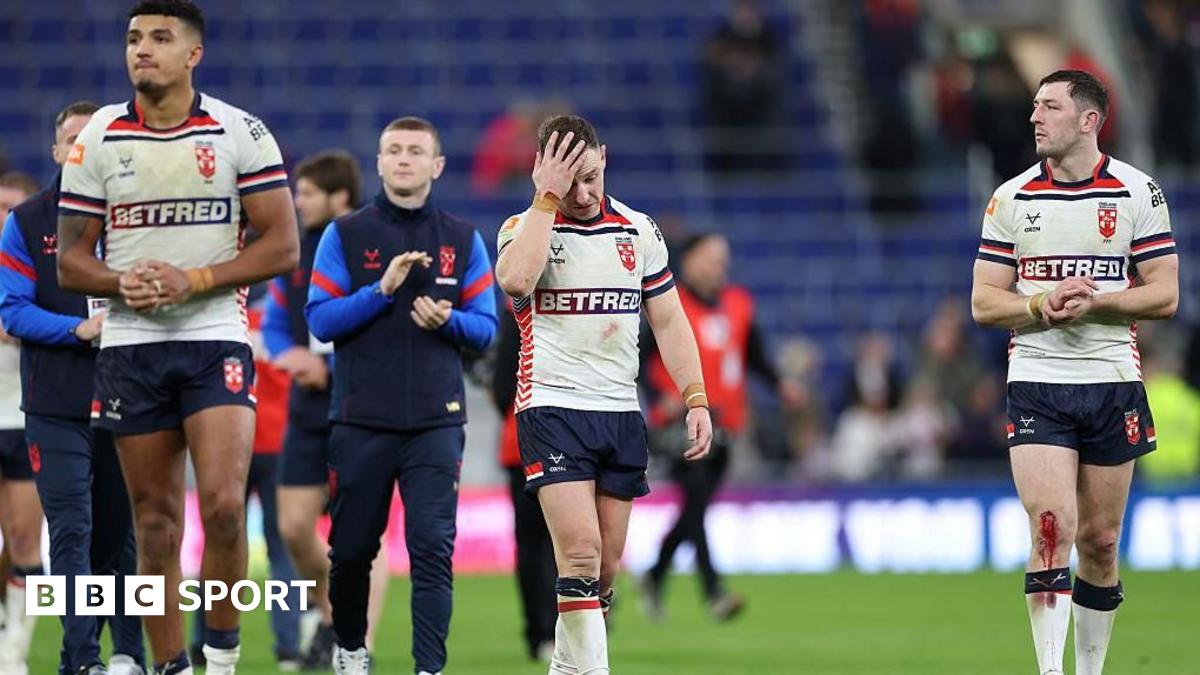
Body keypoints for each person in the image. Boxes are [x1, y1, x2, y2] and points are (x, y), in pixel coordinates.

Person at [55, 2, 300, 673]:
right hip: (132, 344)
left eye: (160, 38)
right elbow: (70, 257)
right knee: (155, 524)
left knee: (223, 507)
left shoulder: (237, 131)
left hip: (213, 335)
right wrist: (116, 281)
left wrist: (193, 278)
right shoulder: (100, 134)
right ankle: (172, 666)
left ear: (193, 54)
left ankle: (220, 655)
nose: (142, 50)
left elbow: (283, 244)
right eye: (134, 38)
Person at [971, 70, 1178, 675]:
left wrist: (1097, 301)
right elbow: (984, 303)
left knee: (1101, 542)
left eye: (1050, 107)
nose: (1035, 117)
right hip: (1037, 376)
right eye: (1034, 106)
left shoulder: (1139, 193)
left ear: (1089, 120)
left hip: (1112, 379)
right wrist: (1039, 305)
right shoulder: (1010, 198)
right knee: (1050, 528)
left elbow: (1165, 295)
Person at [494, 115, 713, 675]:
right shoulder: (524, 227)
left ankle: (566, 669)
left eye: (591, 176)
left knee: (604, 572)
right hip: (551, 407)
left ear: (605, 158)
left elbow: (668, 321)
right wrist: (547, 198)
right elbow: (516, 281)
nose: (585, 193)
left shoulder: (639, 232)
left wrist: (695, 397)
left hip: (619, 413)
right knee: (582, 553)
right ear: (544, 175)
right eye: (570, 182)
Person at [305, 116, 497, 675]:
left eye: (416, 151)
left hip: (437, 420)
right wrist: (380, 291)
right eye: (394, 150)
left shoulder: (463, 239)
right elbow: (319, 319)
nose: (405, 159)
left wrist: (449, 321)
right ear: (380, 163)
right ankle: (351, 650)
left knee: (434, 550)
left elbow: (486, 328)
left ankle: (428, 668)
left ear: (436, 166)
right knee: (351, 552)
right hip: (360, 418)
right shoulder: (345, 235)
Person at [0, 100, 147, 675]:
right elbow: (12, 311)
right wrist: (78, 328)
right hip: (55, 404)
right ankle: (83, 659)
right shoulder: (28, 221)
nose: (85, 146)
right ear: (59, 151)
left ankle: (129, 654)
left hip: (128, 401)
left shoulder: (139, 215)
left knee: (122, 537)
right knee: (72, 530)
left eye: (98, 137)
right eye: (74, 138)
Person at [263, 150, 391, 668]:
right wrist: (290, 354)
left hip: (361, 408)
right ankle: (332, 614)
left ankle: (362, 645)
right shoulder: (293, 251)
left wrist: (333, 369)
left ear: (339, 196)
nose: (297, 201)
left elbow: (387, 328)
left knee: (361, 535)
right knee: (294, 527)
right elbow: (274, 319)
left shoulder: (371, 246)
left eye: (308, 192)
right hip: (306, 410)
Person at [639, 232, 798, 623]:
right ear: (689, 260)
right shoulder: (669, 304)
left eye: (723, 258)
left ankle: (655, 575)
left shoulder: (738, 305)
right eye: (710, 257)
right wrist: (661, 396)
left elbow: (754, 354)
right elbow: (640, 360)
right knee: (694, 498)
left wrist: (781, 386)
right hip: (679, 425)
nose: (719, 266)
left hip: (726, 424)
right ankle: (714, 592)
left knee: (695, 509)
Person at [188, 293, 302, 670]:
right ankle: (288, 646)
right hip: (279, 442)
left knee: (217, 542)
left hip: (231, 442)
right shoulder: (281, 327)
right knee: (281, 552)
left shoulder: (223, 322)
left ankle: (201, 639)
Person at [490, 302, 557, 662]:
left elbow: (502, 388)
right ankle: (568, 624)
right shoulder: (570, 305)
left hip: (524, 442)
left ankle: (540, 633)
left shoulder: (516, 312)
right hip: (567, 440)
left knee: (532, 545)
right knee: (566, 541)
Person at [0, 172, 42, 675]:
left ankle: (14, 653)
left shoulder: (42, 271)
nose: (5, 217)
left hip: (25, 417)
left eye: (14, 207)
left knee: (24, 539)